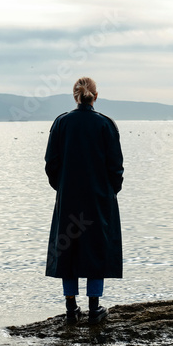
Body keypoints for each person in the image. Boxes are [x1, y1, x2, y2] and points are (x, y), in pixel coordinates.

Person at [45, 77, 124, 325]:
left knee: (67, 248)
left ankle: (70, 309)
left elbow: (51, 164)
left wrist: (63, 187)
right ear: (95, 96)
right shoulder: (105, 124)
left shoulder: (61, 122)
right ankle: (94, 308)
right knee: (96, 248)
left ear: (75, 95)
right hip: (99, 198)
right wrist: (111, 192)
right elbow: (116, 167)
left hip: (69, 196)